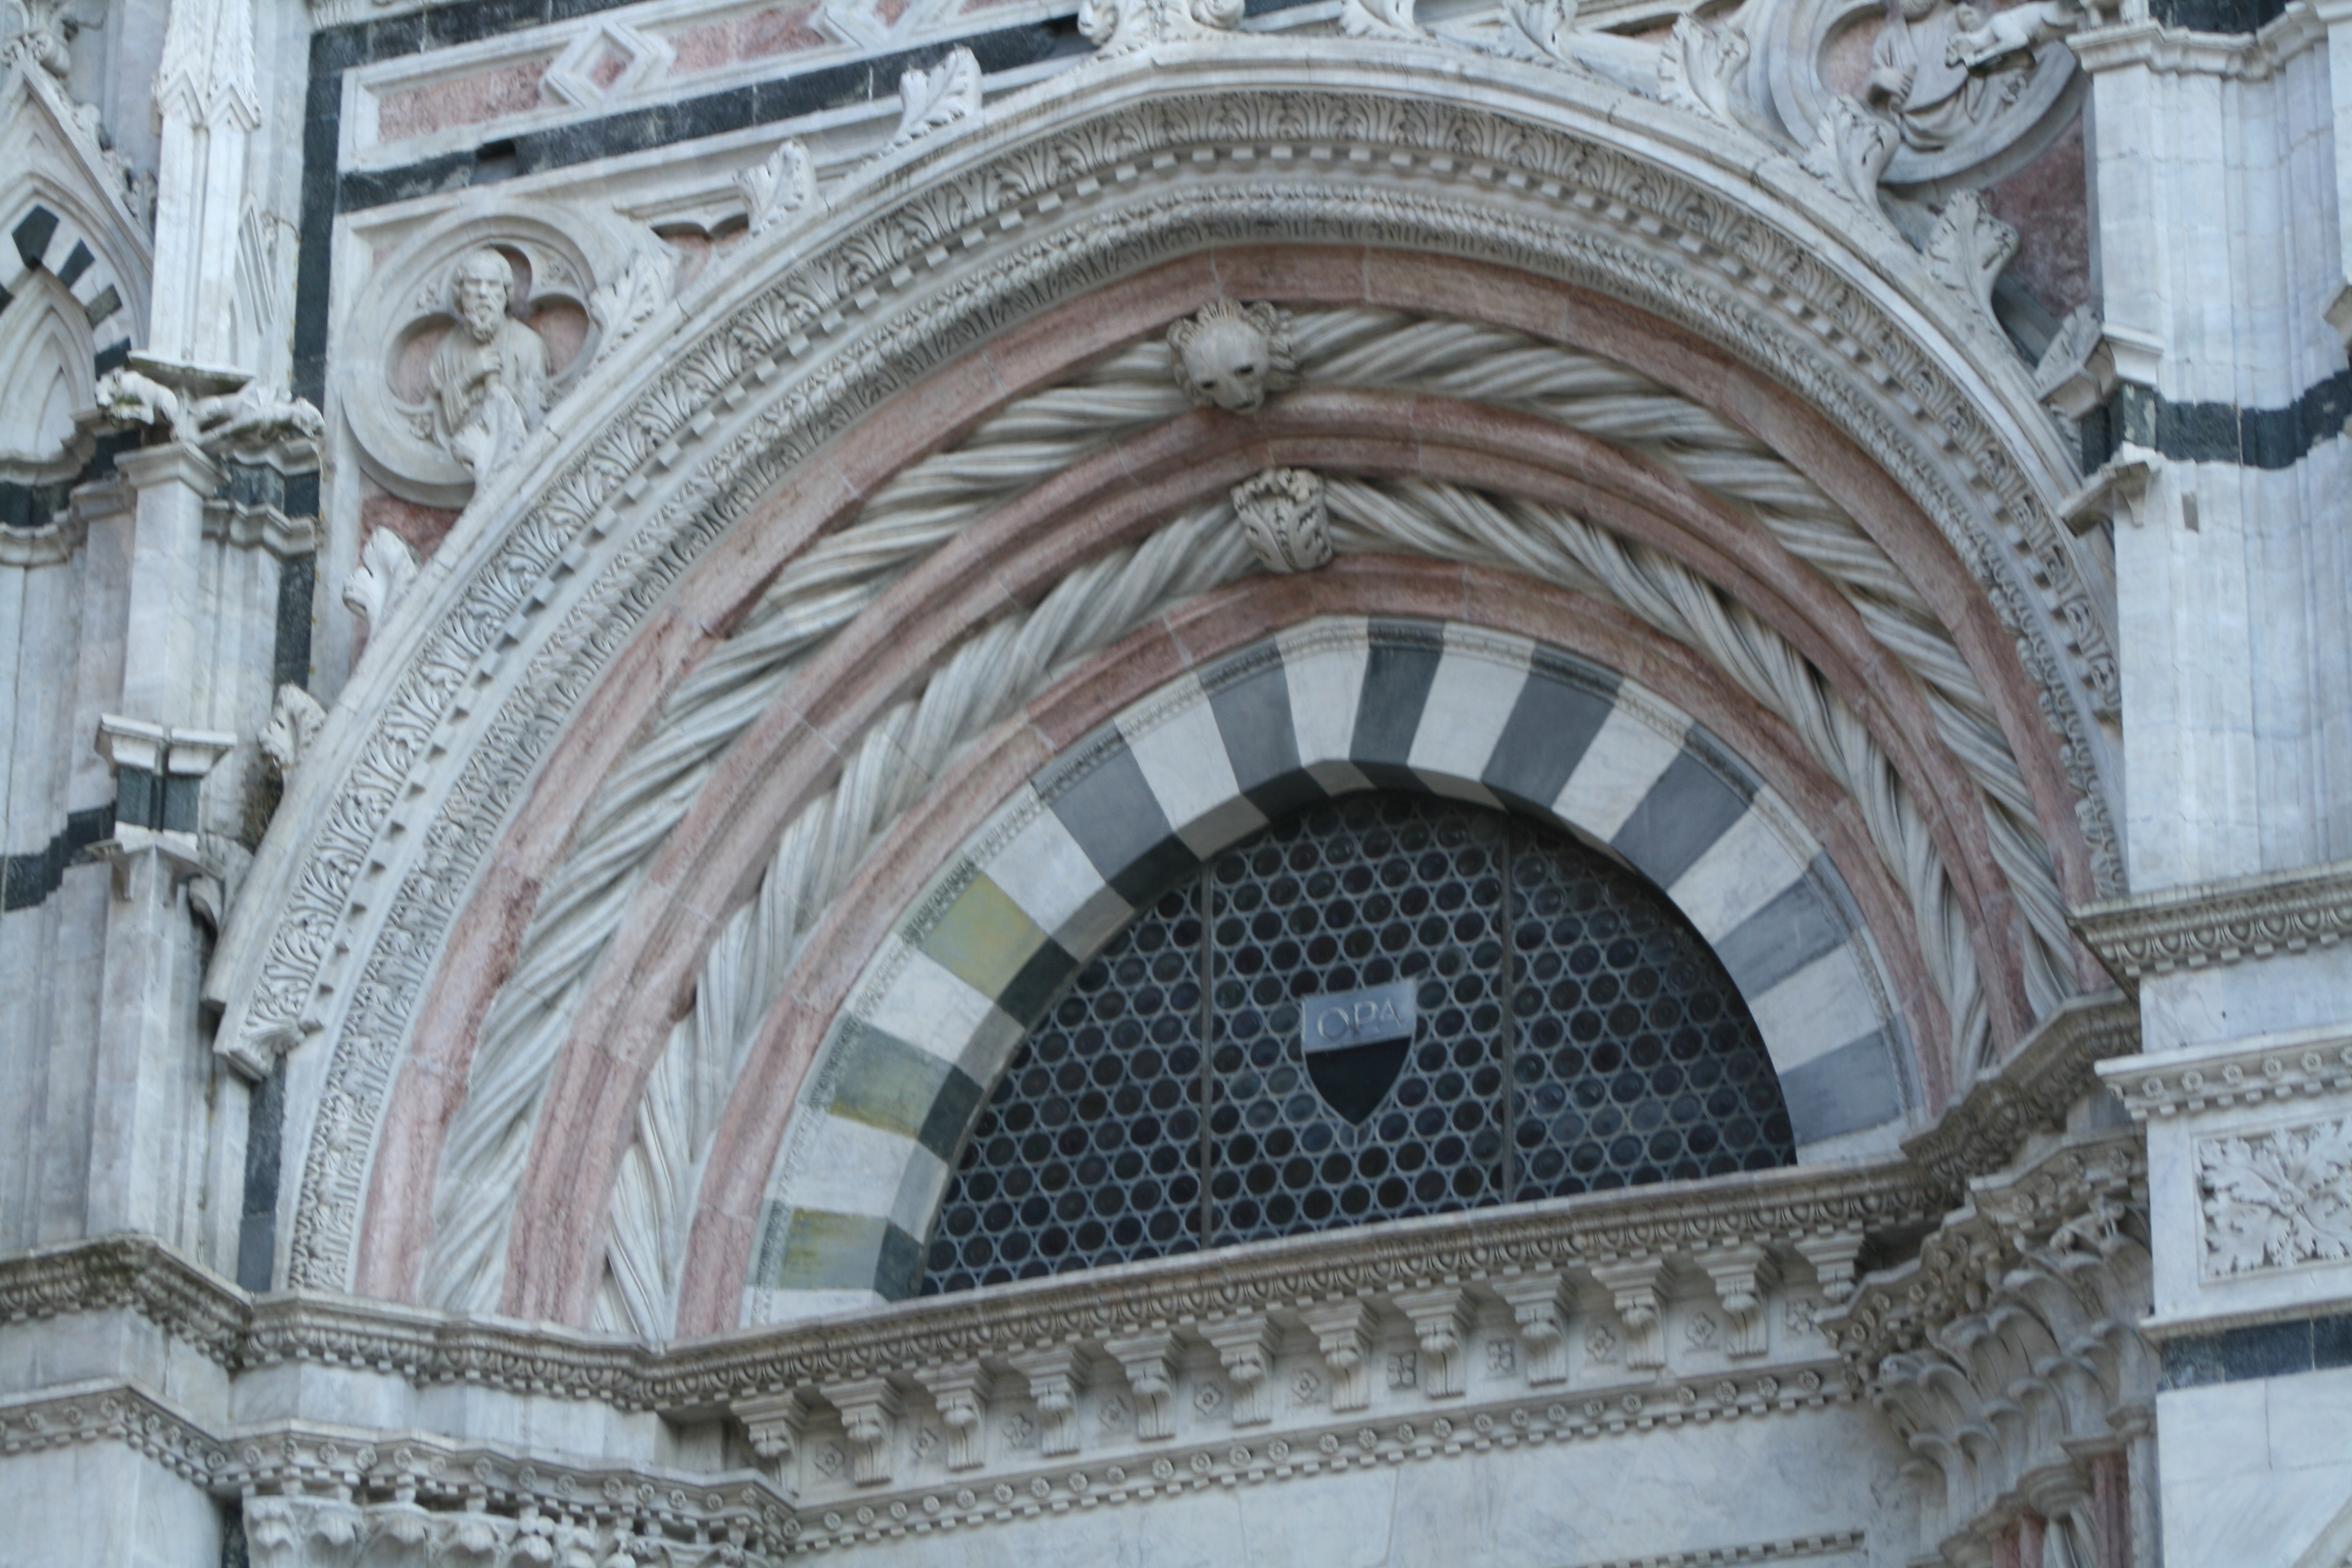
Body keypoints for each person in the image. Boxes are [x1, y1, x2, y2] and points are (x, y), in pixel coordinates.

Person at [428, 248, 550, 480]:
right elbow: (450, 419)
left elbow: (531, 414)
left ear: (506, 294)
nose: (483, 293)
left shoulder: (528, 344)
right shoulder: (446, 350)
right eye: (474, 284)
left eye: (493, 285)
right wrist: (469, 375)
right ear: (460, 293)